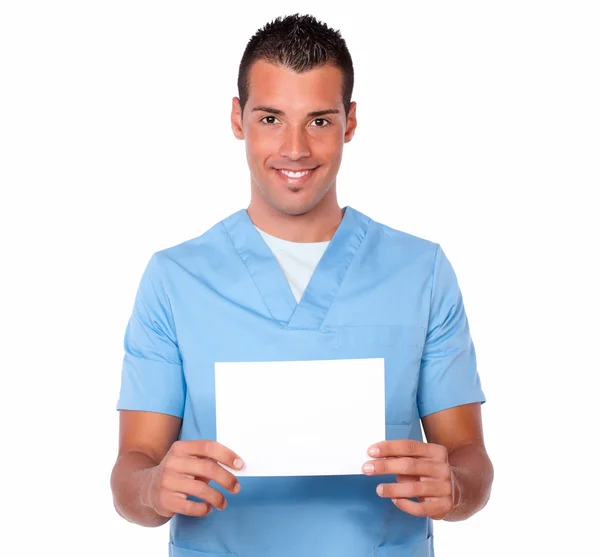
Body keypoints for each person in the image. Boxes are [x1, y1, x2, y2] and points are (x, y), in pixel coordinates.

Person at [110, 13, 494, 557]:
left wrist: (455, 486)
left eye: (318, 120)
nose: (295, 149)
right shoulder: (175, 280)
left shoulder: (421, 272)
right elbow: (132, 472)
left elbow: (469, 457)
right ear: (238, 118)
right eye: (271, 118)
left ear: (349, 122)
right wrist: (153, 487)